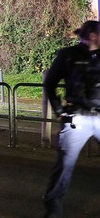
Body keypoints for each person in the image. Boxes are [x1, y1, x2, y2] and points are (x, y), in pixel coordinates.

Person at [42, 20, 100, 217]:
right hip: (78, 117)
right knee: (64, 167)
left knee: (63, 167)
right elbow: (50, 83)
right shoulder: (68, 55)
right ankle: (54, 210)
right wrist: (59, 110)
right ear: (92, 35)